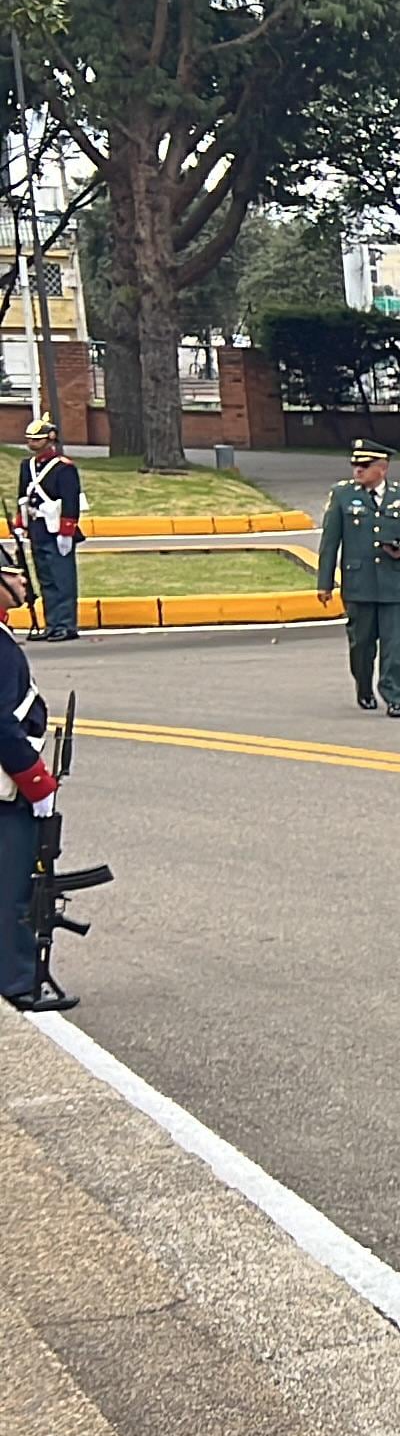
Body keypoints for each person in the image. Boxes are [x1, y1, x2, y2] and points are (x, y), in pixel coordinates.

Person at [315, 438, 400, 717]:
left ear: (382, 468)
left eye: (364, 466)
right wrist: (324, 583)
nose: (357, 471)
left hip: (395, 583)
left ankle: (394, 696)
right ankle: (364, 686)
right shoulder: (342, 495)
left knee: (395, 645)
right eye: (355, 465)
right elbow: (330, 542)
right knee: (361, 644)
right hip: (359, 584)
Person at [2, 623, 60, 1008]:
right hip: (6, 790)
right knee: (11, 890)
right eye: (10, 572)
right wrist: (38, 783)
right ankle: (16, 981)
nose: (22, 579)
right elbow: (2, 725)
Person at [16, 417, 83, 643]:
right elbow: (22, 498)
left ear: (50, 438)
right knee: (46, 579)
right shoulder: (28, 466)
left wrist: (67, 531)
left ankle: (66, 624)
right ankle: (52, 624)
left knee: (62, 579)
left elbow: (70, 501)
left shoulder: (63, 467)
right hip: (37, 529)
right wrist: (20, 524)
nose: (32, 443)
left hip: (56, 530)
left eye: (37, 439)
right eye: (30, 439)